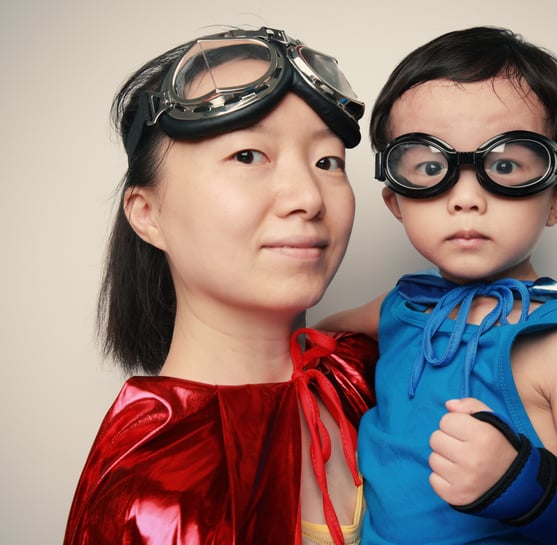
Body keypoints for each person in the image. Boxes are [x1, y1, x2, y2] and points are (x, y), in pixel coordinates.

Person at [316, 26, 557, 545]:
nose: (466, 198)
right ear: (397, 203)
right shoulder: (402, 306)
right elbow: (315, 337)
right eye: (431, 167)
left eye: (504, 165)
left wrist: (525, 485)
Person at [64, 26, 378, 545]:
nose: (307, 196)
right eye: (248, 156)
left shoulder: (367, 374)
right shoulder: (149, 494)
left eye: (328, 163)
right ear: (147, 215)